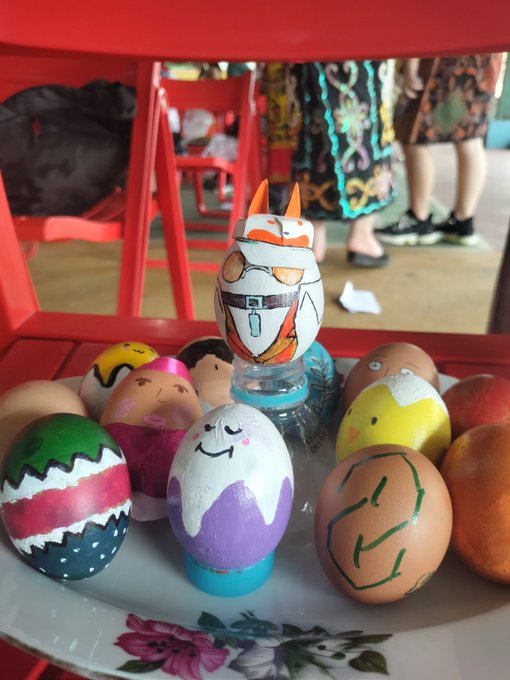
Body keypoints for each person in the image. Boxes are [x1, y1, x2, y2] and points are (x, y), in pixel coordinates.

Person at [375, 54, 503, 246]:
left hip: (439, 56)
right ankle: (462, 220)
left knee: (414, 131)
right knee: (470, 135)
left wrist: (412, 59)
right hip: (482, 57)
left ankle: (418, 218)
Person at [288, 60, 395, 267]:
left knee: (313, 130)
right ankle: (361, 235)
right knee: (366, 122)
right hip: (362, 50)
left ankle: (311, 237)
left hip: (307, 49)